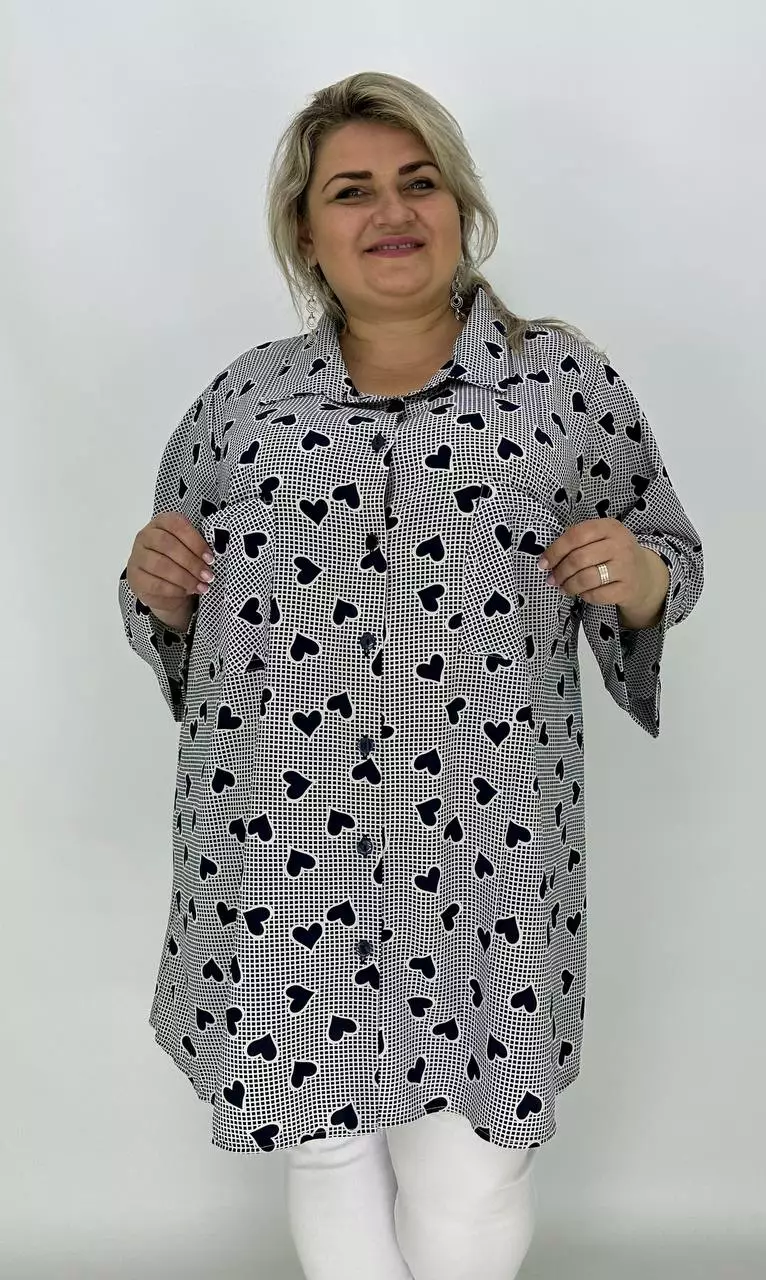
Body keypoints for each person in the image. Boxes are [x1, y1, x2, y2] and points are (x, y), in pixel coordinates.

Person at [119, 71, 706, 1280]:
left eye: (417, 181)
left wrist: (640, 574)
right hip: (288, 834)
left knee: (475, 1153)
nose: (391, 212)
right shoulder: (244, 405)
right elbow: (175, 596)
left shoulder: (562, 386)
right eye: (352, 191)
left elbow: (666, 556)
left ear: (459, 206)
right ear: (306, 232)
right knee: (326, 1140)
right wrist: (158, 588)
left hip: (489, 837)